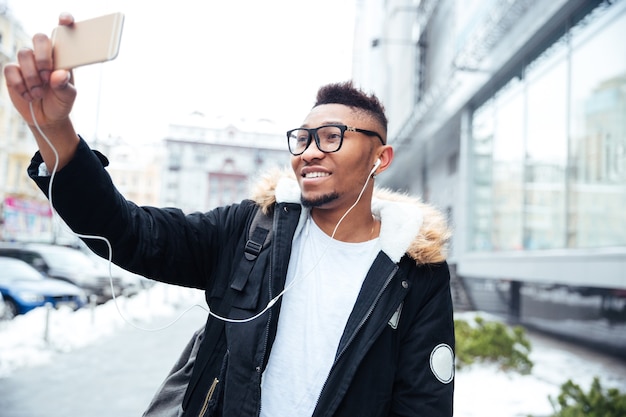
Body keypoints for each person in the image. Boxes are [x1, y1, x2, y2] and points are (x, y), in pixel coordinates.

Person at [4, 13, 455, 417]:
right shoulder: (249, 230)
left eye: (332, 136)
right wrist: (55, 130)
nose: (311, 152)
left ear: (381, 158)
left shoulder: (416, 274)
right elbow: (131, 232)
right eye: (302, 138)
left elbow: (423, 405)